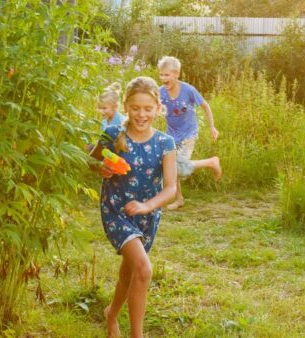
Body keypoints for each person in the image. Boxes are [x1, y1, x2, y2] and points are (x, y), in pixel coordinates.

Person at [89, 76, 177, 338]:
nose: (142, 114)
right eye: (136, 108)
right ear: (126, 106)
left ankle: (111, 314)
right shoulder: (114, 134)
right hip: (116, 210)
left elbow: (171, 188)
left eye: (148, 108)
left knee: (129, 274)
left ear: (157, 109)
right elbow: (92, 159)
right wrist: (101, 168)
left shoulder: (165, 143)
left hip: (147, 216)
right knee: (144, 269)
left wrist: (147, 206)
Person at [157, 56, 221, 210]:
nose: (163, 78)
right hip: (171, 134)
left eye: (167, 75)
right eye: (161, 75)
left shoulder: (188, 90)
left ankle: (212, 162)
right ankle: (179, 199)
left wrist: (212, 126)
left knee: (179, 166)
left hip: (188, 134)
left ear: (176, 74)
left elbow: (205, 106)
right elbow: (152, 107)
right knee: (171, 166)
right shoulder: (160, 92)